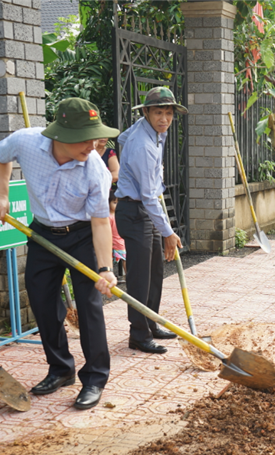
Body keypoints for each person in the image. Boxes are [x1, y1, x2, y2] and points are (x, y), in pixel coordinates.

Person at [0, 97, 120, 410]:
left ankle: (95, 378)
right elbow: (0, 155)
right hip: (43, 233)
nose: (93, 145)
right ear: (62, 135)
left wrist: (104, 268)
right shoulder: (27, 142)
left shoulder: (95, 171)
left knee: (88, 307)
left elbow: (101, 223)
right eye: (86, 139)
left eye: (96, 137)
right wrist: (1, 194)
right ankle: (61, 370)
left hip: (82, 235)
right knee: (42, 303)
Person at [114, 87, 187, 354]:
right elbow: (147, 196)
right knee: (140, 277)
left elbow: (122, 137)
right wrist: (168, 232)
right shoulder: (143, 145)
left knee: (156, 269)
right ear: (146, 112)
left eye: (168, 113)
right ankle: (138, 334)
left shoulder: (152, 132)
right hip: (134, 211)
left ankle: (151, 322)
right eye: (158, 112)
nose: (164, 119)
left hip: (145, 210)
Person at [108, 191, 126, 277]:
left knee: (125, 259)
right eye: (114, 202)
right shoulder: (109, 217)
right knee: (109, 261)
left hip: (120, 241)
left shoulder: (119, 215)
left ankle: (128, 276)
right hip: (113, 242)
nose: (117, 205)